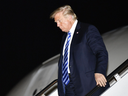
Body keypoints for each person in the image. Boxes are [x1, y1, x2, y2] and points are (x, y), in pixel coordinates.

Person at [50, 5, 109, 96]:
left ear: (70, 17)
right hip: (68, 85)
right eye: (56, 22)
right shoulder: (64, 38)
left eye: (59, 21)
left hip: (86, 82)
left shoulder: (87, 30)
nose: (57, 25)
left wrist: (100, 72)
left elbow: (101, 52)